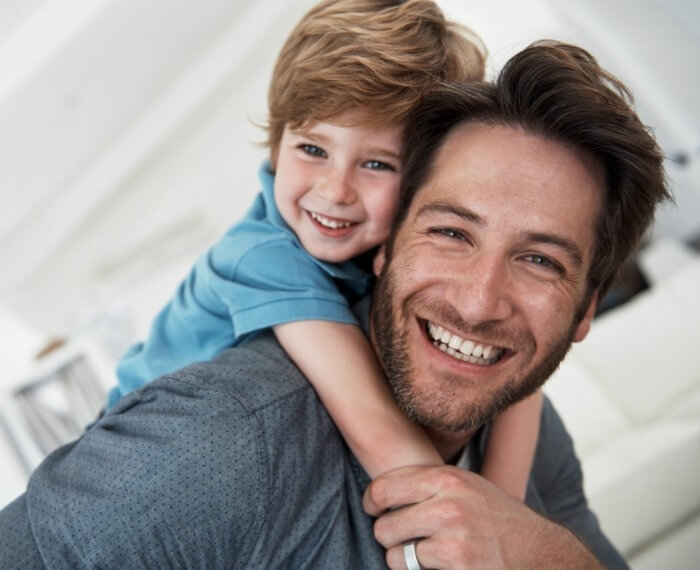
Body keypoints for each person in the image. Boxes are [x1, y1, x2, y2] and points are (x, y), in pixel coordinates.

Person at [0, 41, 669, 569]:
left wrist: (543, 555)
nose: (477, 300)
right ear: (385, 246)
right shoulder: (220, 440)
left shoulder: (523, 421)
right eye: (450, 231)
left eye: (540, 261)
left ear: (586, 312)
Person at [105, 0, 541, 499]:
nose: (335, 190)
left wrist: (507, 509)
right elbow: (382, 437)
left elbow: (522, 382)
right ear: (276, 143)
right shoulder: (261, 257)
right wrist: (492, 531)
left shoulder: (393, 251)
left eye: (377, 164)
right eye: (313, 149)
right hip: (136, 457)